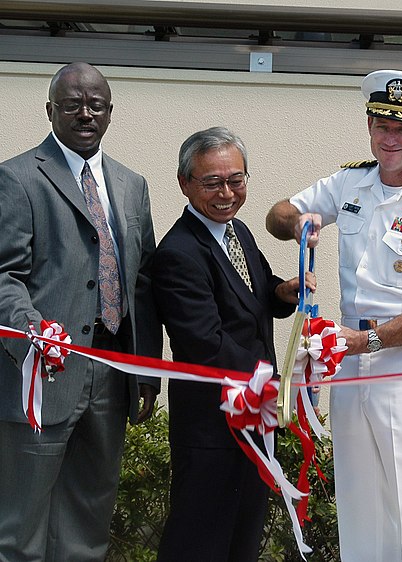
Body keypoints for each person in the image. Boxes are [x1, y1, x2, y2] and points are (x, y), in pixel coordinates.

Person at [266, 69, 402, 561]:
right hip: (346, 364)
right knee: (359, 505)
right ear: (368, 124)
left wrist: (367, 342)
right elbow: (276, 214)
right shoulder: (350, 183)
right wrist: (299, 221)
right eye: (382, 125)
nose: (390, 139)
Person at [0, 62, 161, 561]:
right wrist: (34, 334)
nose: (85, 114)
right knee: (21, 524)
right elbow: (5, 275)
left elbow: (144, 283)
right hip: (41, 374)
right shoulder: (17, 178)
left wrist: (147, 371)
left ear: (111, 113)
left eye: (95, 104)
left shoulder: (132, 185)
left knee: (88, 520)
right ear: (50, 110)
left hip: (111, 375)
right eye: (72, 104)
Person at [152, 127, 305, 562]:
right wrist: (279, 381)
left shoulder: (237, 230)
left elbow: (254, 294)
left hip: (253, 416)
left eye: (236, 180)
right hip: (211, 426)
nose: (226, 193)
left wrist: (283, 292)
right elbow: (205, 343)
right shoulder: (179, 253)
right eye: (212, 182)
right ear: (185, 184)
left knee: (242, 539)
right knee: (199, 542)